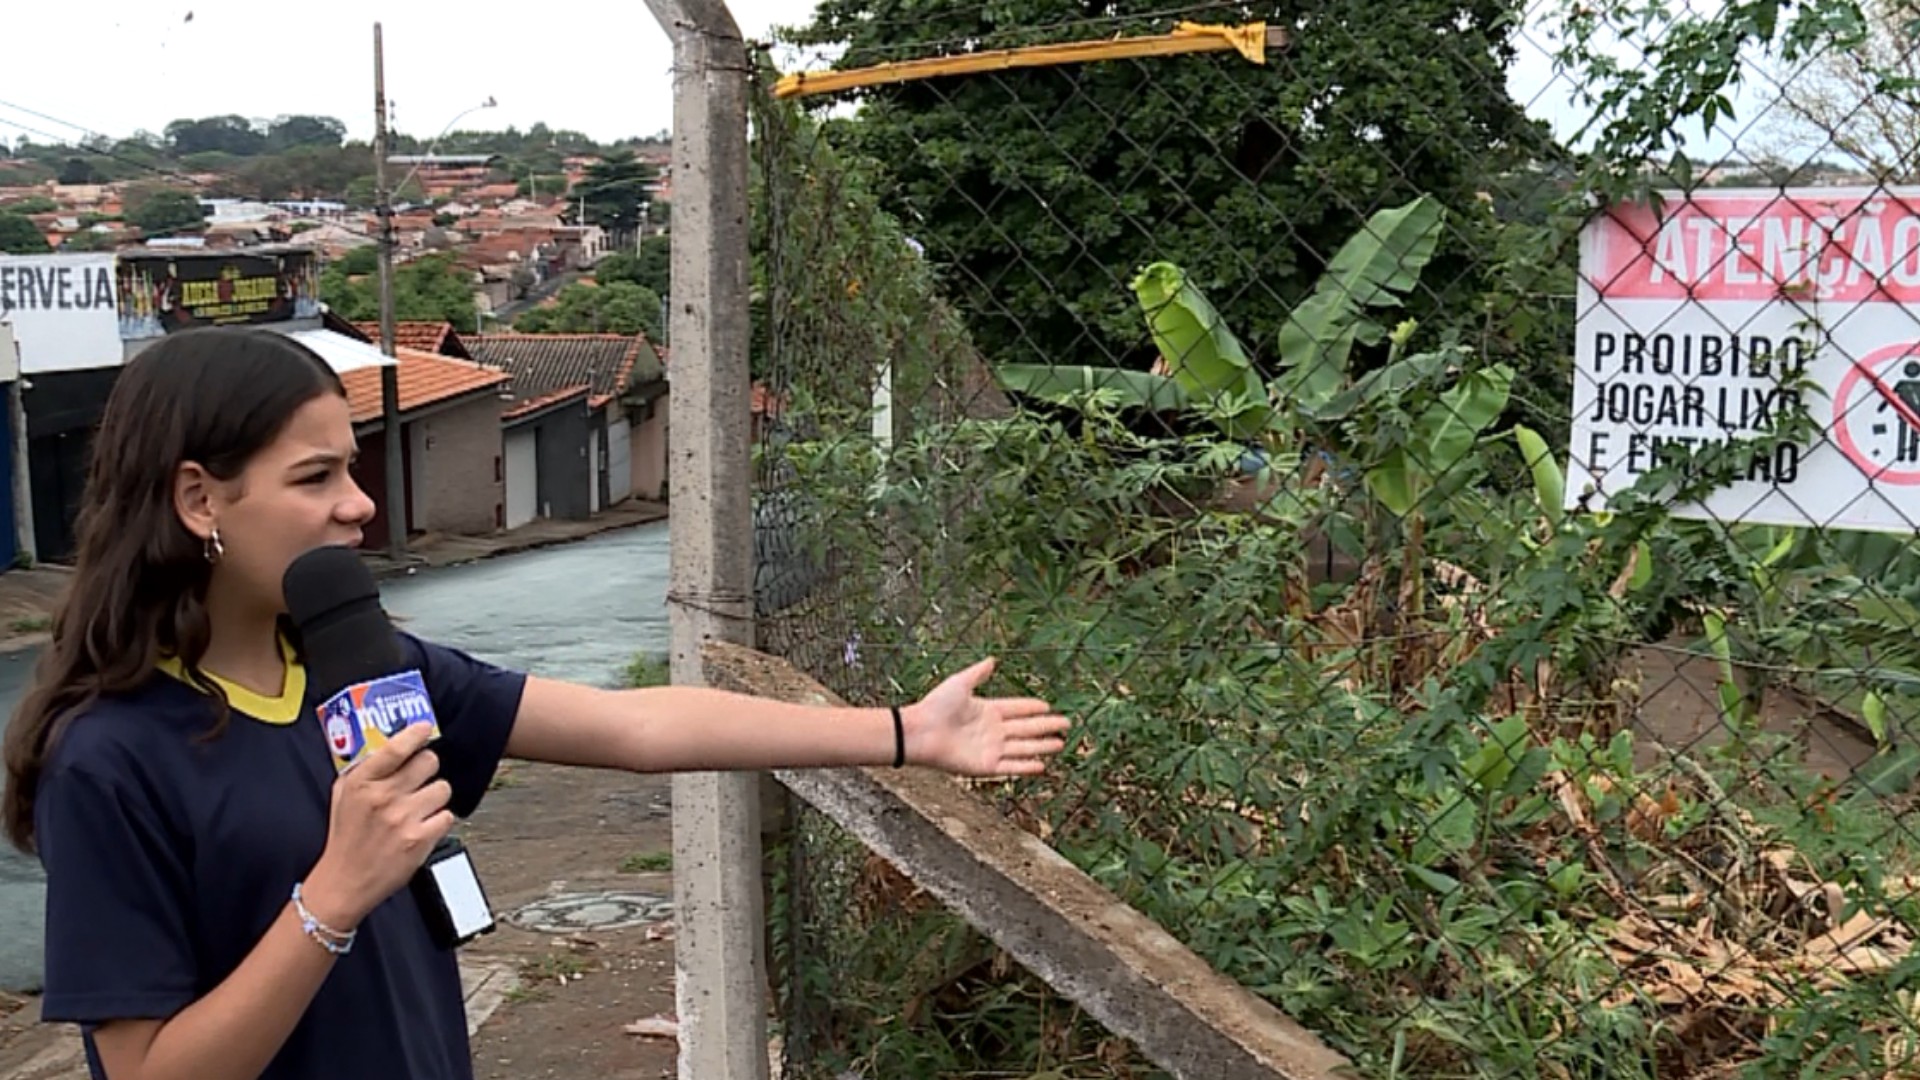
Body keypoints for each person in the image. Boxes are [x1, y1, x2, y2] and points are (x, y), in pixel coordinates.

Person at [0, 327, 1071, 1080]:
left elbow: (639, 727)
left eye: (355, 469)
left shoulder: (362, 669)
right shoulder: (109, 756)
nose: (360, 505)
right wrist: (334, 895)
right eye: (316, 477)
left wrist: (902, 734)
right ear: (199, 498)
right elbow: (146, 1070)